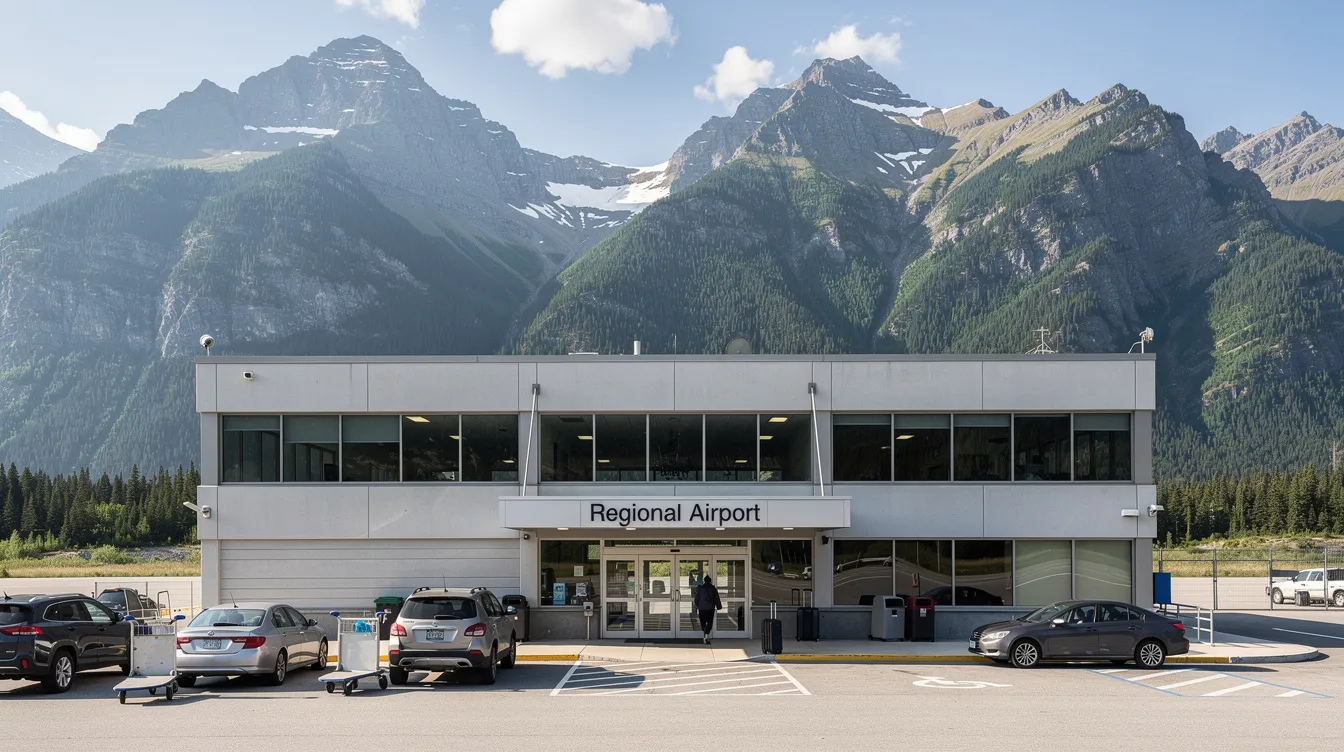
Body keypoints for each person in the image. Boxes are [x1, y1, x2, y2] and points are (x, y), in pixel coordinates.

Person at [693, 576, 722, 644]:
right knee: (709, 622)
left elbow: (697, 598)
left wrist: (696, 605)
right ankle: (706, 634)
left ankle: (705, 633)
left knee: (702, 621)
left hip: (702, 608)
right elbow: (716, 598)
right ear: (710, 581)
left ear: (704, 581)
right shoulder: (713, 588)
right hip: (710, 608)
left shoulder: (700, 588)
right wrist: (719, 606)